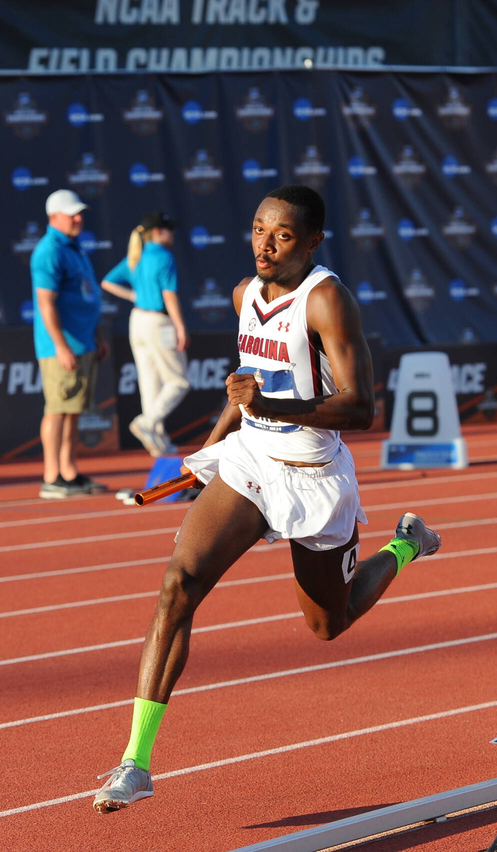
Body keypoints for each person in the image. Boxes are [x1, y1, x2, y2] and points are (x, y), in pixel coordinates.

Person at [92, 185, 442, 813]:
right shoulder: (244, 295)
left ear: (312, 243)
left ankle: (405, 543)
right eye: (258, 229)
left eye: (282, 236)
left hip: (313, 474)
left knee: (327, 625)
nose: (265, 244)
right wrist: (205, 454)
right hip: (252, 461)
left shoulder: (327, 299)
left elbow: (361, 407)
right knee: (178, 584)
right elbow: (244, 388)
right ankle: (135, 762)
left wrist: (267, 405)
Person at [30, 189, 111, 498]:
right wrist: (61, 345)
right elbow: (45, 304)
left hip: (84, 342)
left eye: (79, 213)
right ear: (54, 217)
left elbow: (87, 295)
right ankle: (52, 477)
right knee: (57, 409)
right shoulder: (48, 250)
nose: (79, 218)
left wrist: (97, 336)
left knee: (73, 410)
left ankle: (69, 471)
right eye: (72, 213)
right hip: (62, 347)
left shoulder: (74, 247)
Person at [100, 212, 191, 456]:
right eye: (168, 229)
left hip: (138, 320)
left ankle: (158, 442)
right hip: (158, 323)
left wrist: (134, 297)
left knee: (150, 383)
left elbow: (107, 282)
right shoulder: (163, 256)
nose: (172, 234)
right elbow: (169, 295)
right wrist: (180, 326)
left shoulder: (136, 255)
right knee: (178, 382)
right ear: (158, 232)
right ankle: (148, 423)